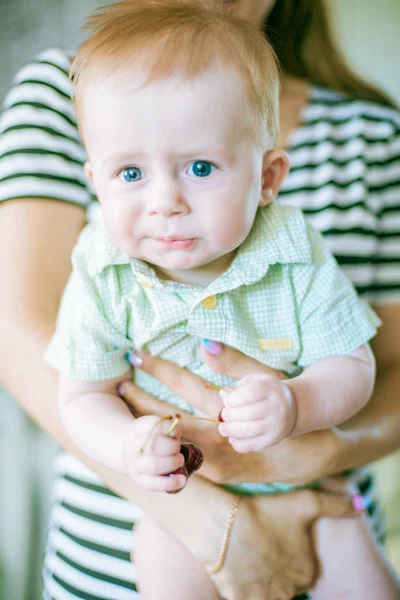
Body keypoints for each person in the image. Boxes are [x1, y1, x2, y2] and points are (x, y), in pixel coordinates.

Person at [0, 0, 399, 598]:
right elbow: (81, 391)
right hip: (172, 507)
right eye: (131, 175)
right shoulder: (103, 266)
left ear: (268, 178)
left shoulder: (295, 249)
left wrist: (296, 404)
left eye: (201, 167)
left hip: (319, 495)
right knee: (165, 565)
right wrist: (127, 446)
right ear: (96, 183)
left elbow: (356, 365)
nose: (166, 201)